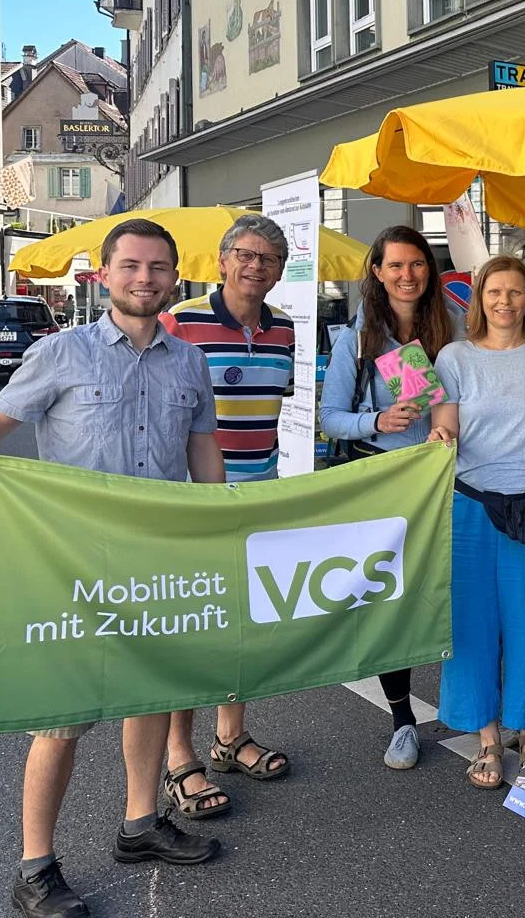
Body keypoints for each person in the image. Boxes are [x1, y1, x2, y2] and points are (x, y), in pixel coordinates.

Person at [0, 219, 224, 918]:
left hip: (159, 559)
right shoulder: (60, 352)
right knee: (64, 717)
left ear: (174, 278)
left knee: (151, 693)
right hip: (74, 566)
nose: (145, 278)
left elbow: (203, 451)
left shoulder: (189, 362)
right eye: (131, 265)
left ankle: (140, 825)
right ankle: (35, 869)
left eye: (158, 267)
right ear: (104, 275)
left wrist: (220, 521)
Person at [426, 254, 525, 788]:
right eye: (494, 291)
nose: (504, 302)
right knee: (471, 623)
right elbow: (447, 425)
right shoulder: (454, 357)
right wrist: (439, 435)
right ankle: (489, 738)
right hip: (470, 503)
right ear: (479, 298)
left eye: (515, 292)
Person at [157, 215, 297, 819]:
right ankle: (178, 757)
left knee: (242, 625)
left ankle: (230, 737)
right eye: (244, 254)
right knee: (190, 630)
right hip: (193, 501)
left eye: (268, 258)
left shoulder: (284, 329)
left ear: (280, 270)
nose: (255, 266)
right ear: (221, 260)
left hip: (257, 498)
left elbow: (270, 414)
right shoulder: (180, 321)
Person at [320, 225, 461, 771]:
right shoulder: (358, 339)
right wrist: (376, 419)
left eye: (417, 264)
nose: (407, 275)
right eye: (396, 265)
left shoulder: (452, 328)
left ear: (430, 269)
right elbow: (331, 418)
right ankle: (403, 719)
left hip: (449, 482)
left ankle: (474, 711)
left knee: (453, 597)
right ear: (377, 272)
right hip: (384, 484)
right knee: (392, 603)